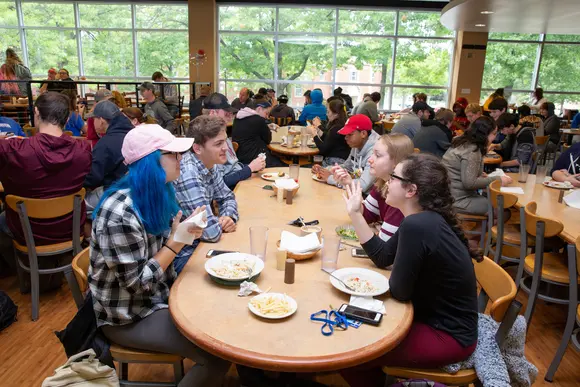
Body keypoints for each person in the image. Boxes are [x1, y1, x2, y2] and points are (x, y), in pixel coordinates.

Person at [88, 125, 230, 387]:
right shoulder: (120, 213)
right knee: (218, 354)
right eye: (173, 155)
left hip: (157, 296)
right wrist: (176, 243)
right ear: (151, 163)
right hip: (128, 316)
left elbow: (159, 260)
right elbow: (136, 286)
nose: (181, 159)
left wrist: (180, 235)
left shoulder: (159, 192)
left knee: (225, 314)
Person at [340, 154, 478, 387]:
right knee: (355, 340)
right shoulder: (419, 219)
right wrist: (355, 213)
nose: (388, 182)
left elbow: (399, 292)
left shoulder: (418, 225)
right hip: (430, 319)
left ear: (411, 190)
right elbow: (383, 257)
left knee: (353, 353)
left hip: (447, 335)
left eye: (394, 177)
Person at [0, 91, 91, 251]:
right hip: (70, 228)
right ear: (68, 118)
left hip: (26, 231)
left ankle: (21, 271)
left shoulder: (11, 150)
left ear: (36, 112)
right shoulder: (83, 150)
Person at [172, 116, 240, 274]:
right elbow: (211, 233)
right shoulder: (188, 173)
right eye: (218, 144)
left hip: (201, 245)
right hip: (183, 254)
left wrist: (228, 216)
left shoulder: (209, 163)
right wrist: (219, 223)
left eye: (225, 141)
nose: (225, 148)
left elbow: (227, 197)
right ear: (197, 148)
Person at [442, 116, 512, 215]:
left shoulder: (461, 142)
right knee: (504, 212)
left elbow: (461, 173)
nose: (495, 137)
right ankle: (478, 230)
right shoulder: (472, 151)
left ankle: (478, 229)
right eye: (493, 134)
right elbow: (470, 183)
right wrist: (498, 179)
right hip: (458, 199)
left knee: (493, 201)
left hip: (447, 195)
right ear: (484, 134)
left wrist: (479, 174)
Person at [202, 93, 265, 189]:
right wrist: (249, 169)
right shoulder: (209, 143)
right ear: (213, 113)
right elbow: (221, 182)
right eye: (226, 113)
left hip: (240, 179)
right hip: (232, 189)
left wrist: (253, 166)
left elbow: (234, 166)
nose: (230, 117)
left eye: (230, 113)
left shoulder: (222, 135)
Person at [361, 134, 414, 242]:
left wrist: (378, 232)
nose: (370, 160)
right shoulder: (382, 183)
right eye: (372, 154)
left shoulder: (401, 195)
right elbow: (366, 215)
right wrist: (349, 186)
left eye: (378, 155)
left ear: (397, 162)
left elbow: (383, 250)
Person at [84, 100, 135, 212]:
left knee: (80, 204)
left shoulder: (105, 143)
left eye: (93, 119)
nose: (91, 122)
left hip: (116, 192)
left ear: (101, 121)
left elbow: (94, 178)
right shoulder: (133, 133)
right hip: (137, 190)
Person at [312, 114, 379, 195]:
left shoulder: (376, 152)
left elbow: (363, 186)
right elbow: (347, 166)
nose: (345, 138)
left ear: (363, 134)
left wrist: (331, 178)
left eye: (350, 134)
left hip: (369, 199)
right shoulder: (357, 144)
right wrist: (326, 170)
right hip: (356, 194)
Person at [232, 99, 283, 167]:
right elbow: (268, 139)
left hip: (240, 158)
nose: (267, 117)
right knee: (282, 163)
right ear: (259, 109)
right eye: (266, 113)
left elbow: (251, 130)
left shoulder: (238, 117)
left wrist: (266, 126)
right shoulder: (258, 119)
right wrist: (266, 127)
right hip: (254, 159)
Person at [307, 99, 350, 167]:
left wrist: (314, 134)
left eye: (328, 112)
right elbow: (329, 140)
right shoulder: (339, 124)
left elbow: (323, 149)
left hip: (334, 163)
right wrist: (319, 131)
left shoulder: (336, 128)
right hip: (338, 160)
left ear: (336, 114)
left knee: (307, 167)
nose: (327, 114)